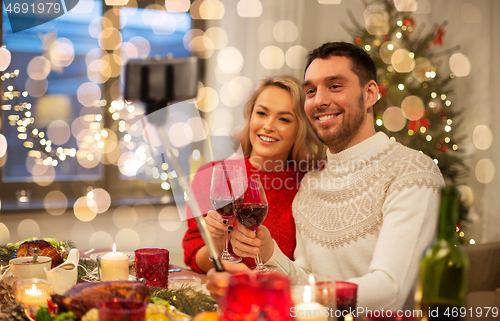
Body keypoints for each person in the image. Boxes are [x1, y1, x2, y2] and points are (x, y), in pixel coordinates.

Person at [222, 42, 445, 310]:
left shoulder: (412, 172)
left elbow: (388, 292)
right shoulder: (311, 184)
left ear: (370, 93)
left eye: (335, 86)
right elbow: (305, 280)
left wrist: (272, 293)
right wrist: (270, 254)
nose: (319, 101)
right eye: (311, 91)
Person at [182, 75, 326, 273]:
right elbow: (194, 261)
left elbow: (312, 270)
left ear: (299, 129)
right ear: (250, 117)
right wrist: (216, 242)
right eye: (262, 113)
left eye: (284, 119)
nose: (268, 126)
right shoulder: (211, 175)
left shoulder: (311, 183)